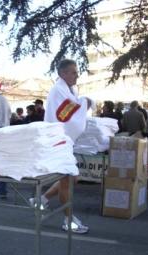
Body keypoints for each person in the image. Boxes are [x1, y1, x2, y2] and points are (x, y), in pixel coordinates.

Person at [36, 59, 90, 234]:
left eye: (76, 72)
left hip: (64, 141)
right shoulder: (58, 90)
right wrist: (84, 103)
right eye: (73, 72)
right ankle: (68, 220)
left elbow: (72, 110)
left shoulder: (70, 90)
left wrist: (82, 101)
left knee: (70, 179)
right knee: (67, 180)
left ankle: (40, 200)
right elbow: (66, 115)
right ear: (63, 74)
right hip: (57, 141)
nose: (77, 75)